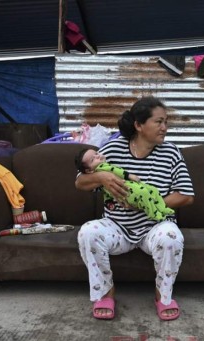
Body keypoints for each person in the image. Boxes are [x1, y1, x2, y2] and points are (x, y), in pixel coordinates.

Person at [75, 96, 195, 321]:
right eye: (158, 122)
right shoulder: (112, 148)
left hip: (155, 226)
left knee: (171, 237)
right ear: (139, 126)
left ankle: (163, 296)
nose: (164, 128)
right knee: (88, 232)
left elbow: (186, 196)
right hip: (117, 227)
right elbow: (79, 182)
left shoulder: (171, 153)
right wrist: (102, 177)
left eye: (166, 122)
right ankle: (105, 294)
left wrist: (147, 204)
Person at [75, 148, 175, 222]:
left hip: (130, 190)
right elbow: (117, 171)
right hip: (128, 191)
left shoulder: (101, 168)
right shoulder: (103, 167)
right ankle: (155, 213)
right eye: (93, 160)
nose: (98, 156)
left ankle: (161, 208)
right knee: (145, 193)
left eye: (96, 153)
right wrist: (130, 176)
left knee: (152, 190)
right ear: (89, 170)